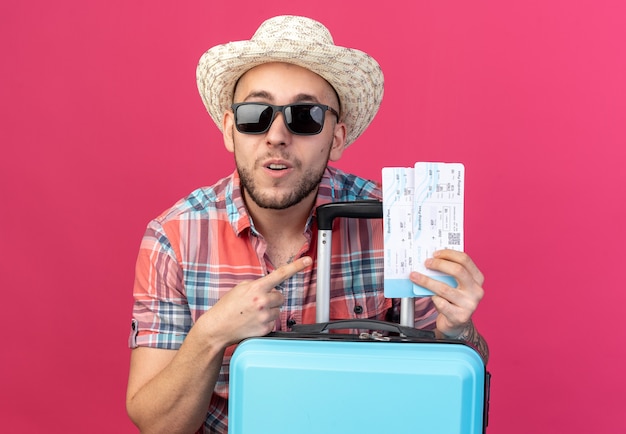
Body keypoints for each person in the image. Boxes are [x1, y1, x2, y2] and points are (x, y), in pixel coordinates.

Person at [126, 15, 489, 434]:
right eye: (255, 114)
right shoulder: (173, 238)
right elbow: (157, 425)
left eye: (305, 116)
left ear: (336, 136)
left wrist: (460, 331)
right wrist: (211, 335)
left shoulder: (397, 223)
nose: (277, 135)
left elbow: (445, 398)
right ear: (230, 129)